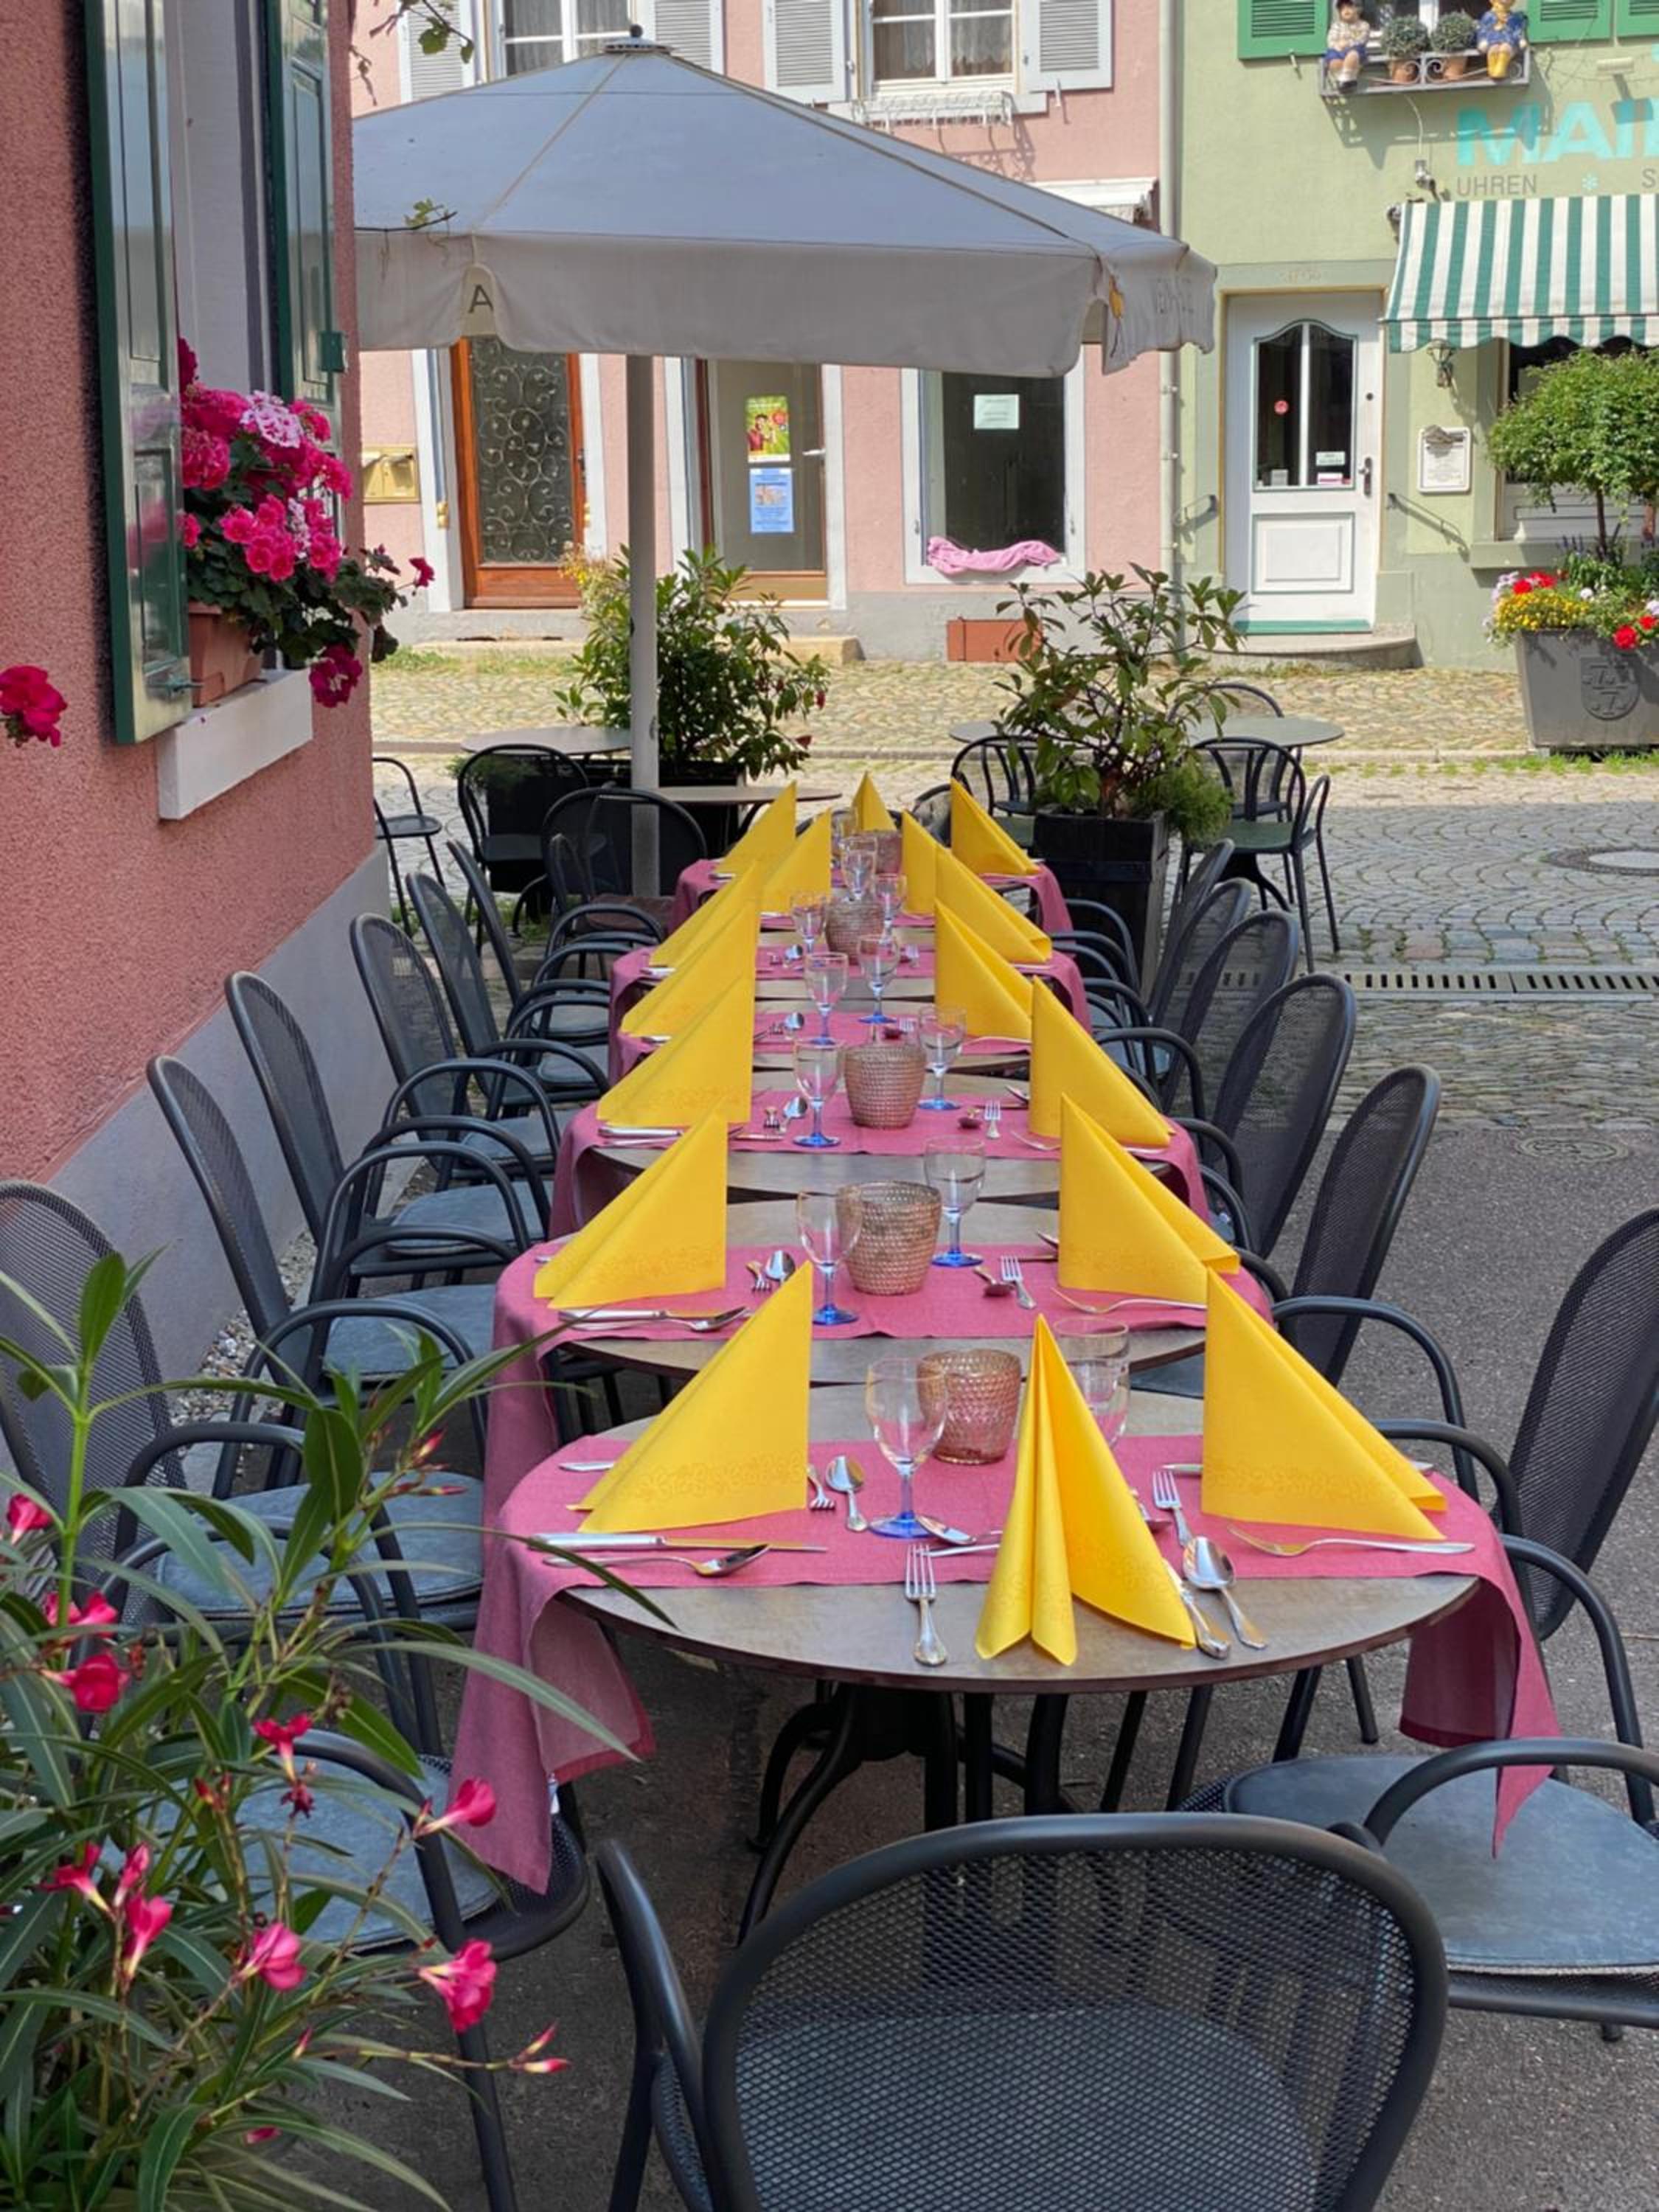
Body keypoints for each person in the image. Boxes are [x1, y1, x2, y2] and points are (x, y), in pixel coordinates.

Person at [1324, 2, 1370, 91]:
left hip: (1355, 51)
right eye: (1342, 9)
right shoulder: (1336, 25)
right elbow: (1331, 40)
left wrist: (1348, 43)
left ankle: (1345, 80)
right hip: (1339, 51)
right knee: (1333, 60)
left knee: (1353, 55)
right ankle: (1346, 80)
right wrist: (1337, 46)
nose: (1346, 10)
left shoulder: (1363, 25)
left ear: (1357, 9)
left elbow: (1363, 39)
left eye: (1349, 7)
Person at [1477, 2, 1528, 79]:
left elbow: (1517, 30)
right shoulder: (1489, 16)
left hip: (1508, 39)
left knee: (1505, 48)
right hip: (1493, 39)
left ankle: (1500, 69)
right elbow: (1483, 29)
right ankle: (1493, 70)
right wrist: (1483, 40)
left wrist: (1521, 39)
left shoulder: (1513, 17)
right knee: (1494, 49)